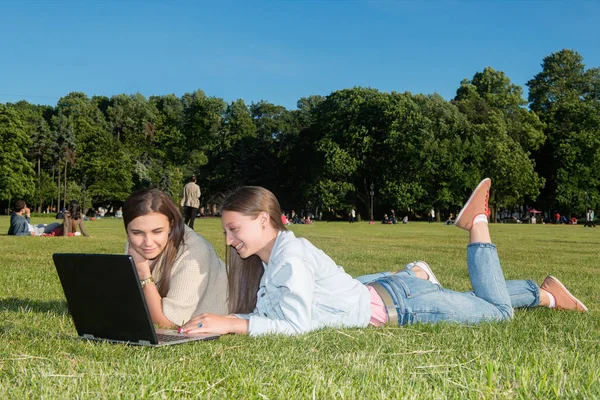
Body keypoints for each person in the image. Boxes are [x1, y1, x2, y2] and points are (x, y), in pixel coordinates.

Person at [182, 180, 587, 336]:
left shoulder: (291, 256)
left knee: (496, 312)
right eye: (225, 231)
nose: (229, 239)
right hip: (390, 292)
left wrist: (233, 323)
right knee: (477, 300)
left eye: (235, 229)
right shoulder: (274, 256)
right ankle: (545, 295)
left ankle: (478, 222)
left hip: (407, 305)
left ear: (265, 220)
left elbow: (294, 323)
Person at [123, 189, 228, 328]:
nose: (148, 242)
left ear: (171, 225)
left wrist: (144, 274)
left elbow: (166, 323)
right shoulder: (133, 246)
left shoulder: (194, 252)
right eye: (137, 232)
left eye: (157, 231)